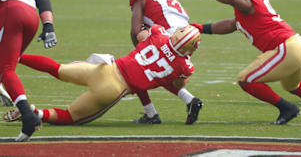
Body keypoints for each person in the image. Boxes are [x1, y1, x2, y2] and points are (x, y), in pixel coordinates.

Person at [3, 25, 201, 140]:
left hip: (105, 67)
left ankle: (15, 57)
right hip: (114, 89)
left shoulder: (159, 34)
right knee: (70, 117)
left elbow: (141, 36)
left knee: (58, 69)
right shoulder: (184, 67)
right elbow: (178, 85)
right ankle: (35, 112)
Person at [129, 0, 202, 124]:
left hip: (168, 37)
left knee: (134, 70)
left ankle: (151, 114)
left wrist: (138, 50)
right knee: (163, 73)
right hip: (188, 39)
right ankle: (190, 100)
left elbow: (135, 30)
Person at [0, 0, 57, 141]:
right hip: (30, 15)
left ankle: (27, 116)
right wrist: (48, 25)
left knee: (6, 68)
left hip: (9, 11)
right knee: (7, 64)